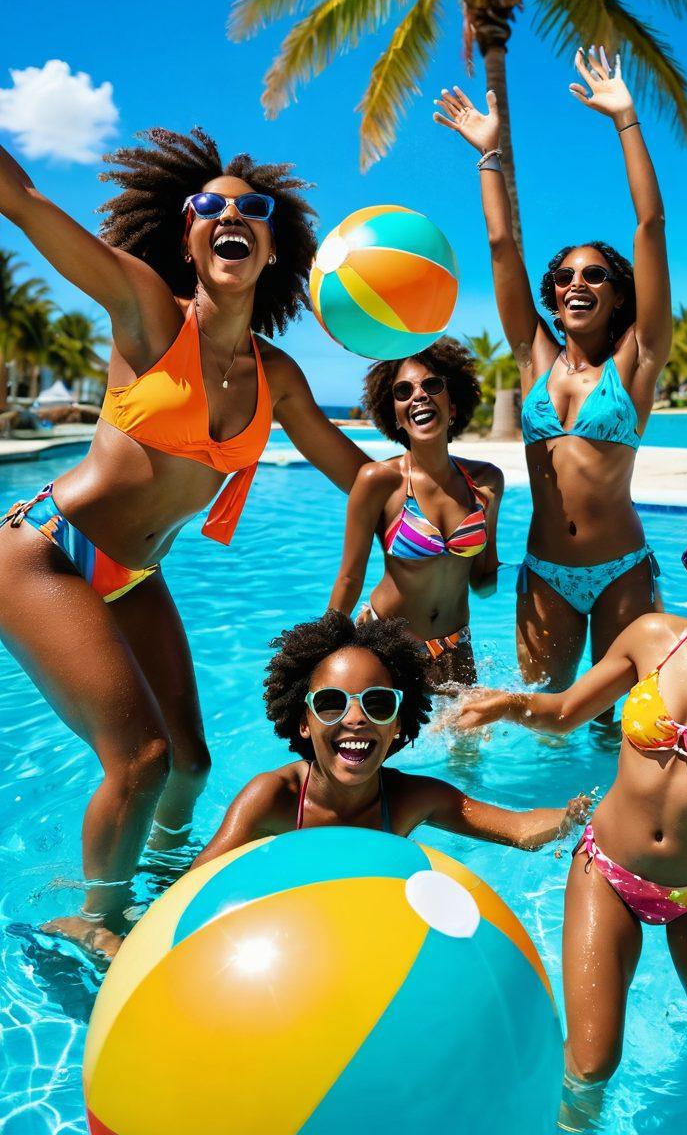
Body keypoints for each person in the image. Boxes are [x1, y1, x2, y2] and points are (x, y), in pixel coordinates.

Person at [0, 130, 367, 957]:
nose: (231, 215)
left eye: (252, 209)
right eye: (211, 206)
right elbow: (23, 204)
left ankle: (156, 877)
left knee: (189, 767)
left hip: (133, 575)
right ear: (187, 236)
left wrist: (437, 499)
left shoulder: (279, 377)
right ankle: (93, 919)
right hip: (45, 552)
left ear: (274, 246)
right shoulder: (146, 309)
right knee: (141, 760)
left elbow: (359, 477)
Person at [454, 498, 687, 1130]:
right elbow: (565, 711)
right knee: (592, 1064)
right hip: (609, 873)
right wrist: (506, 704)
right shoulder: (653, 636)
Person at [434, 47, 671, 696]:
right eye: (565, 276)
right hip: (545, 572)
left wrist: (625, 118)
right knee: (543, 717)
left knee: (608, 726)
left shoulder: (639, 358)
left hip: (622, 567)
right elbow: (501, 245)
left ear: (618, 294)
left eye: (595, 275)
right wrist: (488, 153)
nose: (577, 284)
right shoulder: (534, 356)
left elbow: (650, 226)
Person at [193, 611, 589, 864]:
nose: (356, 719)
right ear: (303, 721)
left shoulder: (408, 800)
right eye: (331, 703)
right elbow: (196, 884)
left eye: (378, 704)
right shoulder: (273, 798)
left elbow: (519, 829)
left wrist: (576, 819)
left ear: (398, 723)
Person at [328, 340, 503, 685]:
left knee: (467, 741)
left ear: (452, 405)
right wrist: (320, 649)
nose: (418, 395)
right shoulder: (379, 480)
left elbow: (483, 581)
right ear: (395, 416)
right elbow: (349, 579)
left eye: (432, 385)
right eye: (403, 390)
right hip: (388, 644)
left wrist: (534, 575)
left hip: (455, 646)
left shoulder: (486, 482)